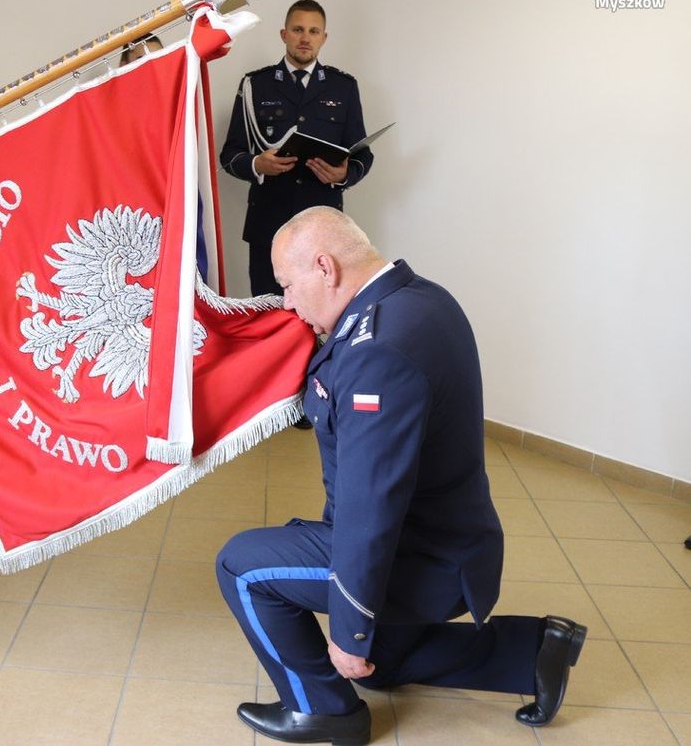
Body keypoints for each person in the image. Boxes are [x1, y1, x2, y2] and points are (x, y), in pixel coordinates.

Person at [215, 207, 587, 744]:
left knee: (242, 565)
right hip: (452, 540)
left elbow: (371, 509)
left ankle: (321, 711)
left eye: (288, 285)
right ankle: (533, 652)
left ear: (325, 267)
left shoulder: (378, 352)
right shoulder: (421, 299)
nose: (288, 303)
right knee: (386, 667)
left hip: (419, 558)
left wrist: (350, 631)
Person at [219, 0, 374, 298]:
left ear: (324, 38)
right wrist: (256, 166)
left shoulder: (343, 88)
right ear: (284, 34)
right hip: (269, 224)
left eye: (314, 31)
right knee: (267, 314)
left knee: (320, 317)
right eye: (298, 29)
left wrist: (343, 174)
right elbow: (230, 155)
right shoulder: (256, 85)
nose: (305, 38)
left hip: (323, 226)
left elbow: (362, 154)